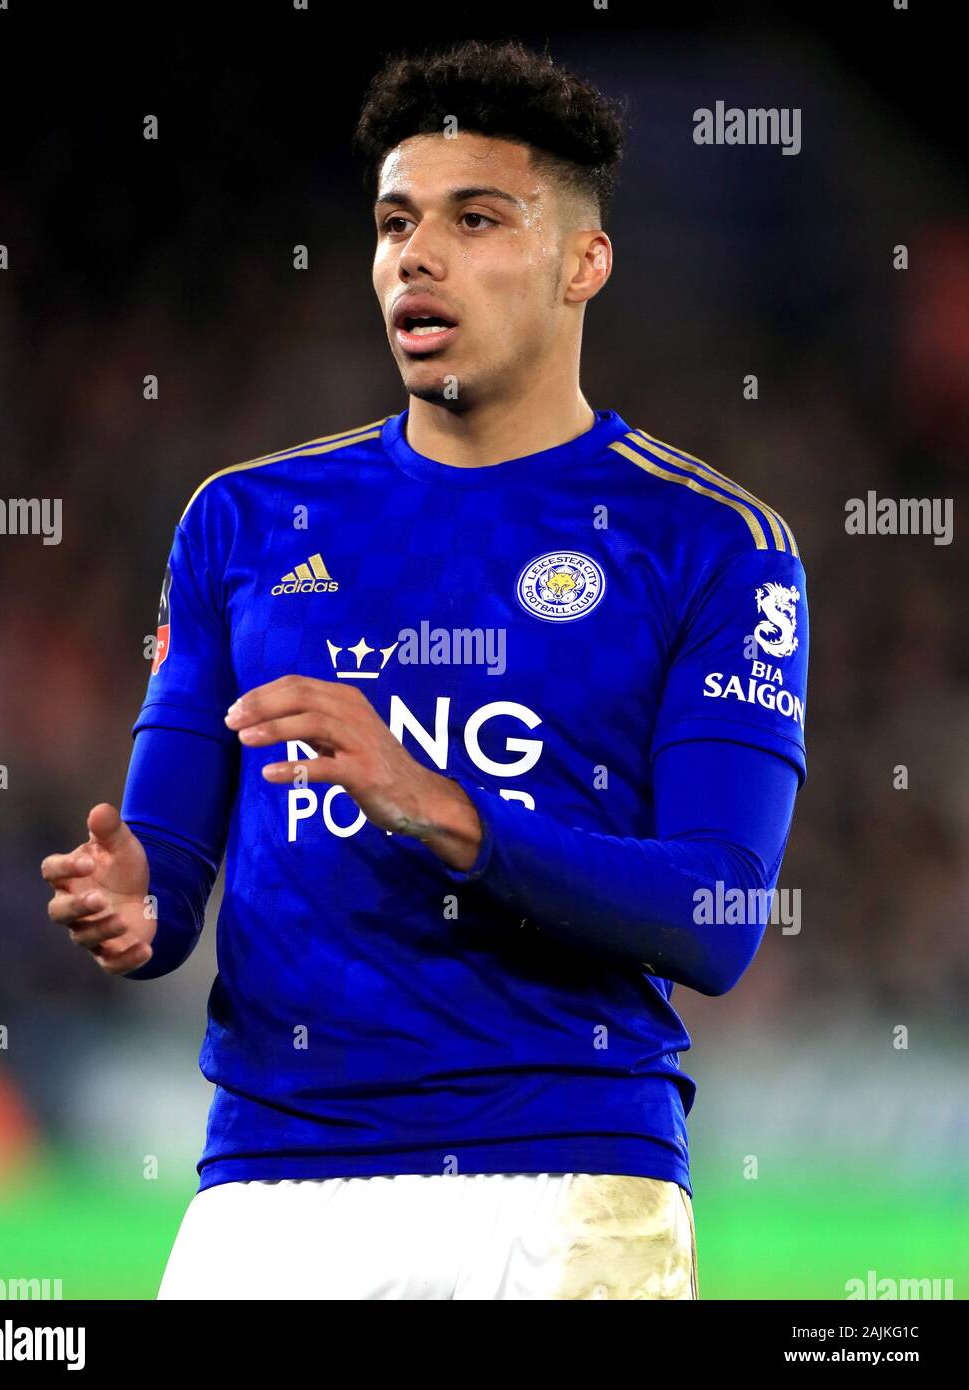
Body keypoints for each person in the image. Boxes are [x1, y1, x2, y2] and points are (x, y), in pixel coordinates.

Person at [40, 39, 808, 1299]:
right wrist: (135, 902)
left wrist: (445, 810)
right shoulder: (243, 520)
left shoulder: (714, 543)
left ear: (584, 262)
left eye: (476, 218)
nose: (417, 255)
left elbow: (717, 916)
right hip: (268, 1190)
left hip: (562, 1182)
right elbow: (169, 867)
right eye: (395, 222)